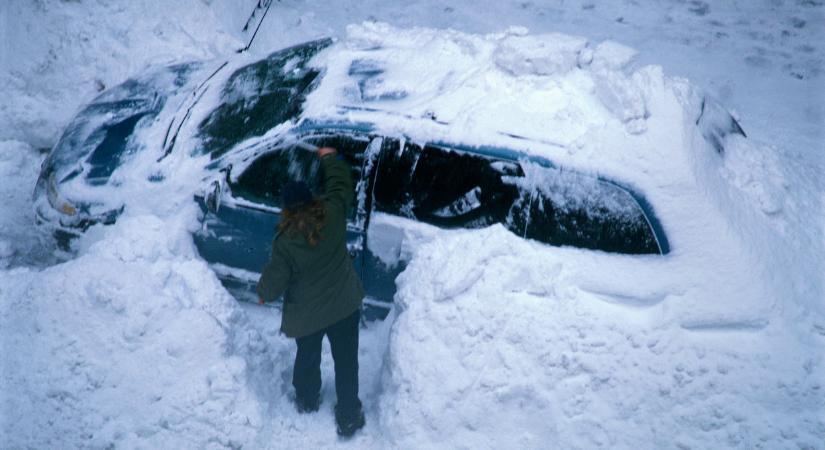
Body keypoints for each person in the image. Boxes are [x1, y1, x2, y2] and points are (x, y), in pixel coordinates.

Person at [257, 146, 366, 438]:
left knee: (307, 356)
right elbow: (341, 182)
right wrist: (329, 157)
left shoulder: (286, 241)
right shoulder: (333, 212)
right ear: (311, 199)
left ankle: (307, 399)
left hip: (308, 315)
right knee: (346, 362)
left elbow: (275, 277)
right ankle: (348, 416)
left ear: (288, 210)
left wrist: (263, 292)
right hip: (344, 306)